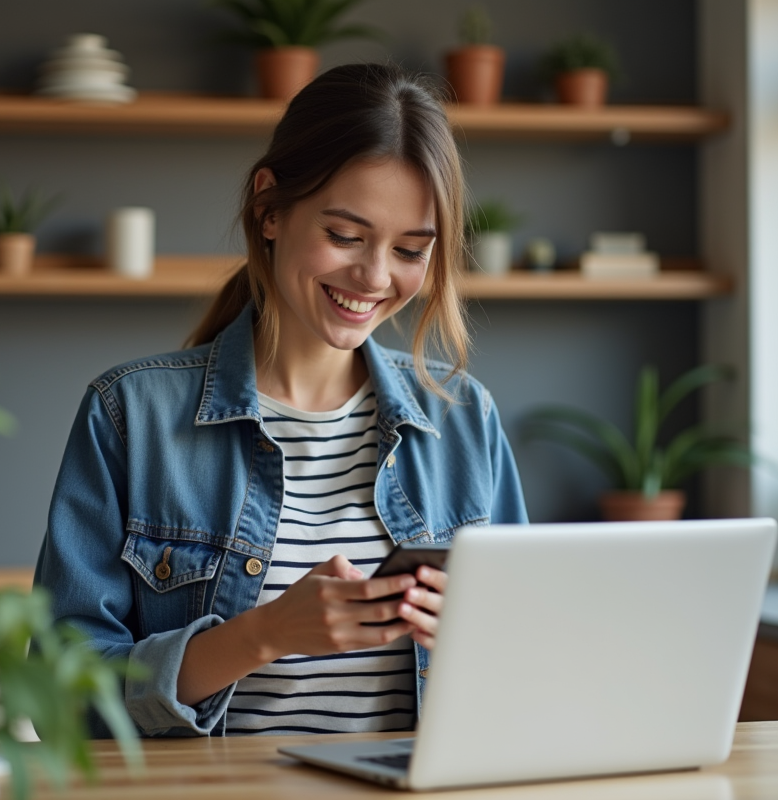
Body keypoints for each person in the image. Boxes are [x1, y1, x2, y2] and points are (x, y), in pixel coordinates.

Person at [34, 63, 528, 738]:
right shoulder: (130, 415)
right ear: (269, 208)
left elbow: (528, 671)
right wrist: (263, 634)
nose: (375, 276)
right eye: (345, 236)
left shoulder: (465, 418)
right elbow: (58, 697)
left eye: (411, 250)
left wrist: (477, 640)